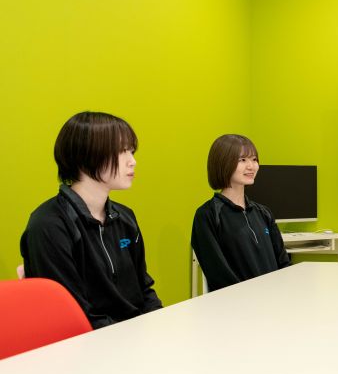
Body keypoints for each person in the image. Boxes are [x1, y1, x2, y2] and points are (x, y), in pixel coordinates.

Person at [21, 111, 162, 329]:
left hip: (134, 335)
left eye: (132, 151)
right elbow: (72, 316)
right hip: (91, 343)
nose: (133, 161)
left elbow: (144, 289)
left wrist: (160, 324)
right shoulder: (48, 226)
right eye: (122, 151)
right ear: (87, 155)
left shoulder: (125, 217)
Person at [191, 134, 290, 292]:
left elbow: (283, 262)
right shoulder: (207, 215)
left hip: (274, 299)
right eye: (242, 160)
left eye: (254, 159)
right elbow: (218, 275)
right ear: (223, 162)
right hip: (236, 303)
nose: (251, 166)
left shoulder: (263, 213)